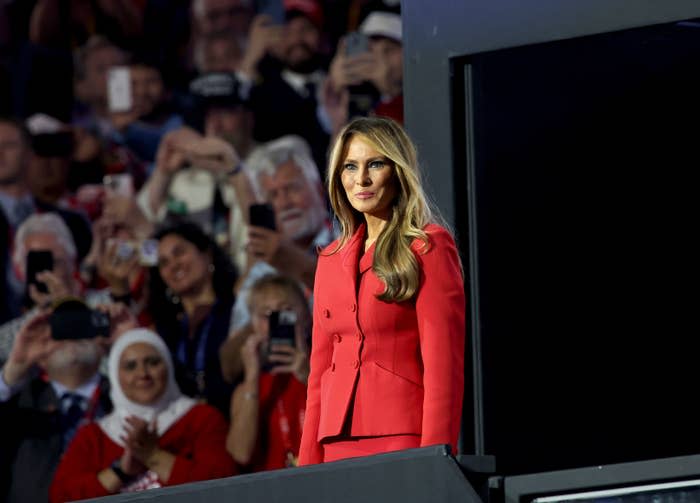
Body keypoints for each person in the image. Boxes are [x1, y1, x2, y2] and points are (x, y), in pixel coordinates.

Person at [298, 117, 465, 465]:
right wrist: (307, 467)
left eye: (375, 164)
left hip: (401, 437)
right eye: (349, 167)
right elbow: (319, 374)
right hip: (333, 441)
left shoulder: (427, 247)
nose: (361, 180)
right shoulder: (329, 260)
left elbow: (443, 368)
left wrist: (435, 458)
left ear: (398, 170)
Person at [49, 328, 236, 501]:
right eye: (130, 366)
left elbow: (225, 487)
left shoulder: (202, 419)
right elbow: (61, 497)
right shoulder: (94, 435)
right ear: (114, 374)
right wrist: (120, 471)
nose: (143, 374)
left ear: (169, 367)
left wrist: (153, 456)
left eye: (153, 362)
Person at [0, 302, 136, 503]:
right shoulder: (19, 401)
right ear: (41, 360)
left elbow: (181, 406)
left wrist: (132, 344)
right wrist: (15, 367)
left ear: (102, 345)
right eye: (61, 329)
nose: (72, 338)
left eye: (81, 327)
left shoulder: (130, 392)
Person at [147, 221, 237, 415]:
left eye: (179, 253)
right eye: (164, 262)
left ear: (206, 254)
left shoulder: (236, 309)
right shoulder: (164, 330)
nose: (173, 265)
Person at [225, 274, 310, 471]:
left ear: (305, 317)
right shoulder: (248, 388)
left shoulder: (329, 372)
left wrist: (310, 376)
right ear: (254, 324)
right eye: (267, 314)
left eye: (286, 311)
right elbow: (240, 453)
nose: (277, 320)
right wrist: (252, 377)